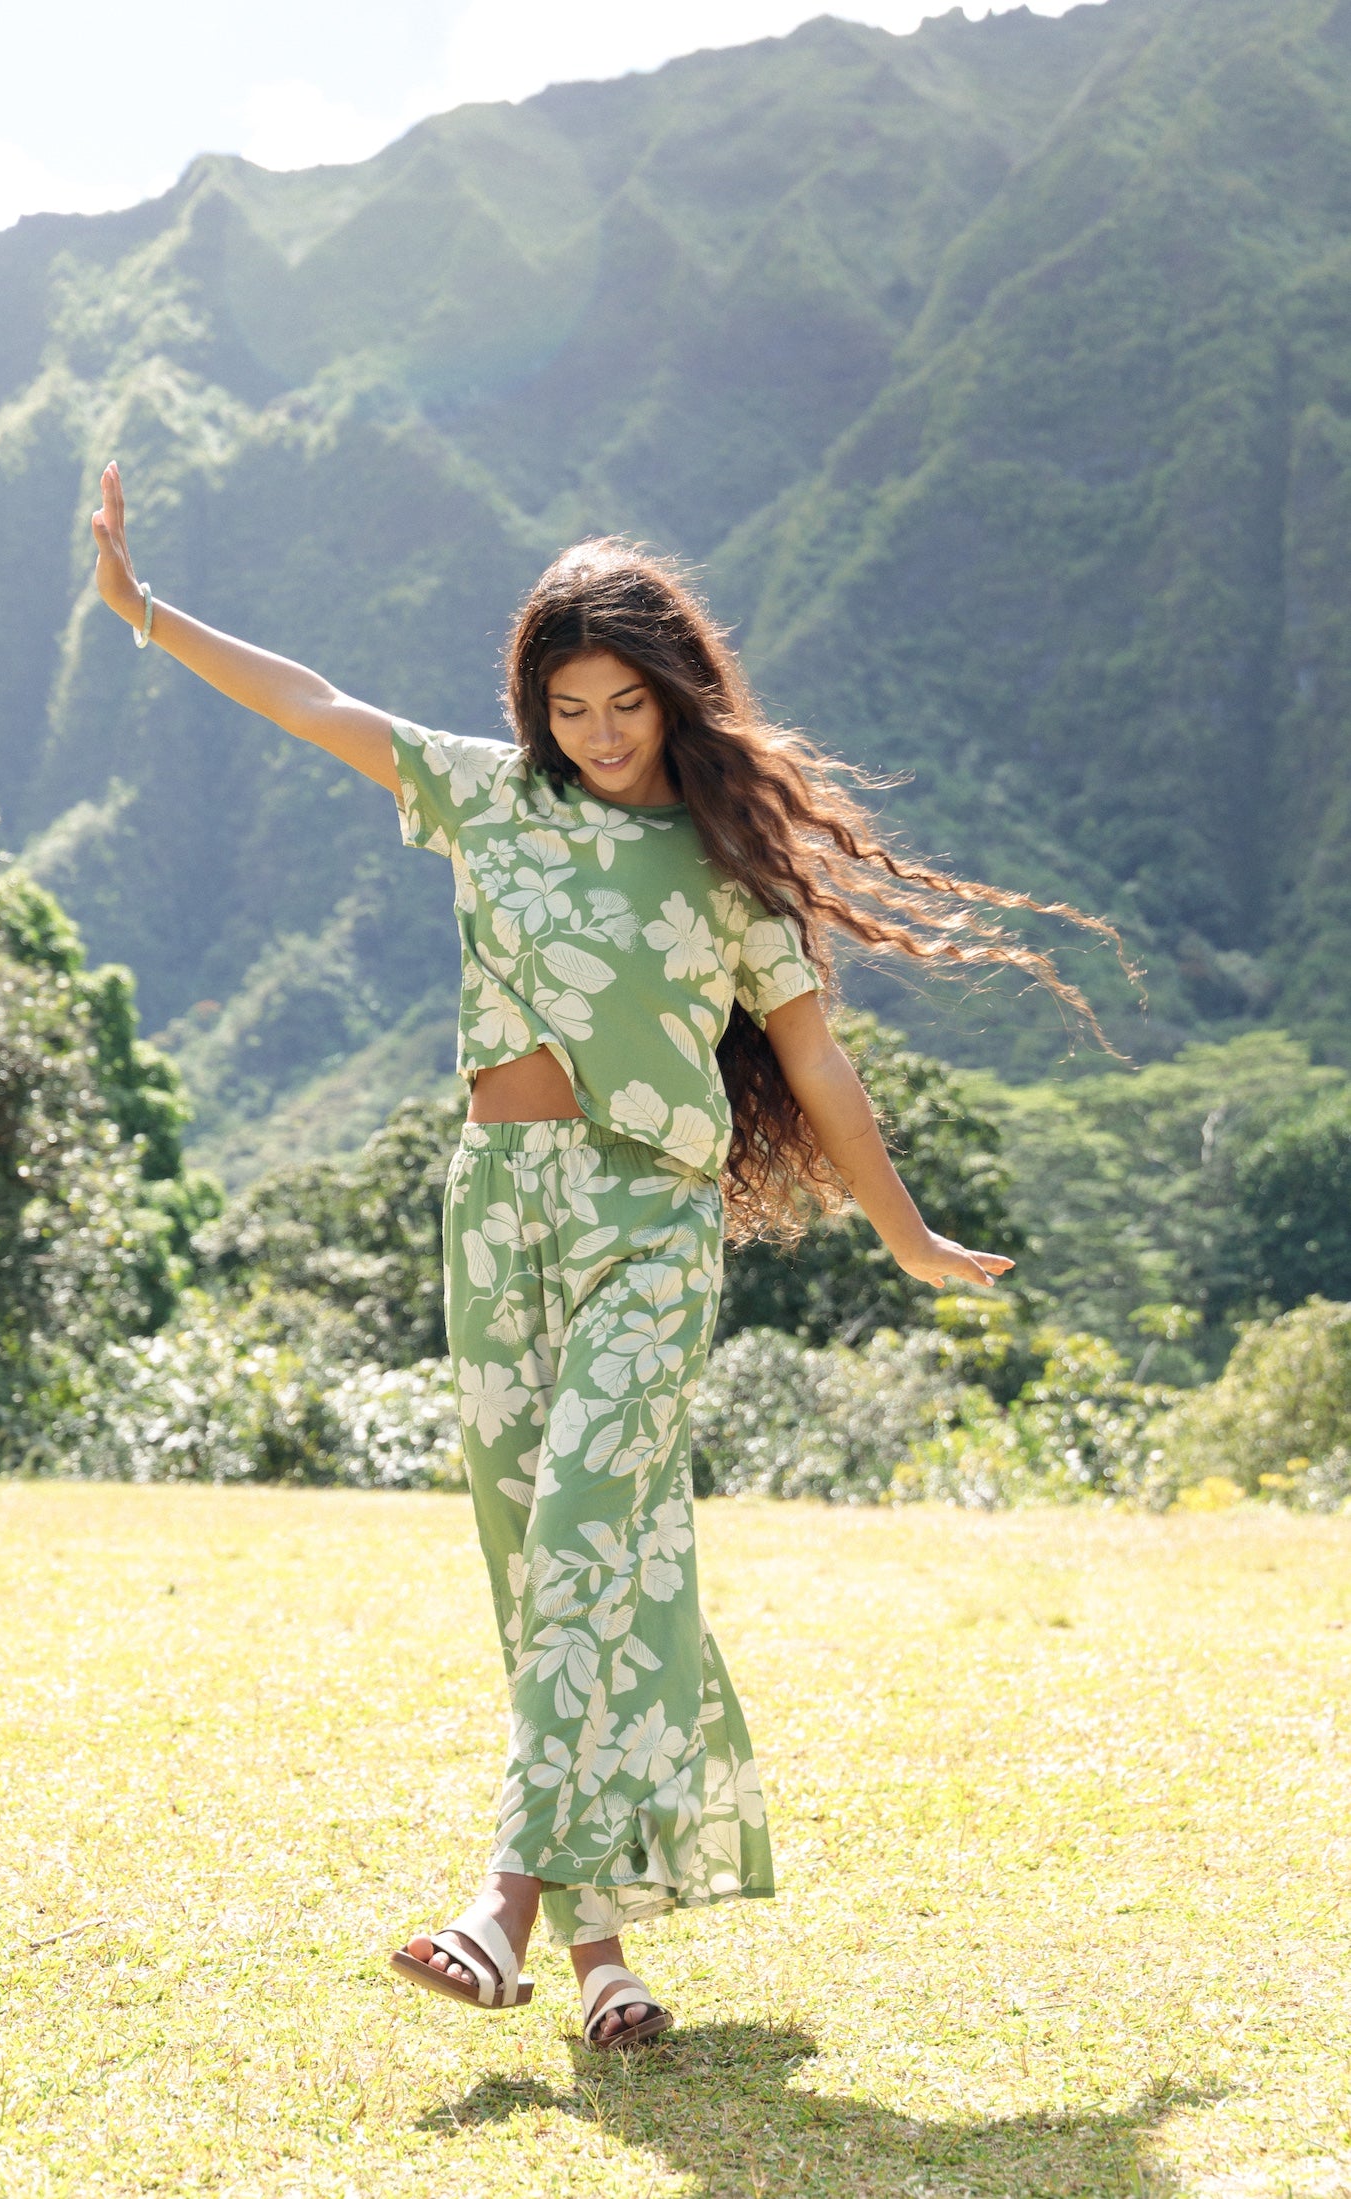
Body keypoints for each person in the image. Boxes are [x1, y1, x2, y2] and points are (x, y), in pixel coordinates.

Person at [91, 461, 1112, 2049]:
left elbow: (819, 1064)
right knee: (563, 1572)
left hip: (647, 1217)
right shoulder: (490, 799)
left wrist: (902, 1234)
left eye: (624, 703)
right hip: (496, 1211)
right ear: (536, 709)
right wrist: (144, 614)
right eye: (568, 707)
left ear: (673, 693)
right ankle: (602, 1955)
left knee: (581, 1528)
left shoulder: (729, 865)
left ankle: (504, 1897)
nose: (599, 734)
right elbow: (317, 702)